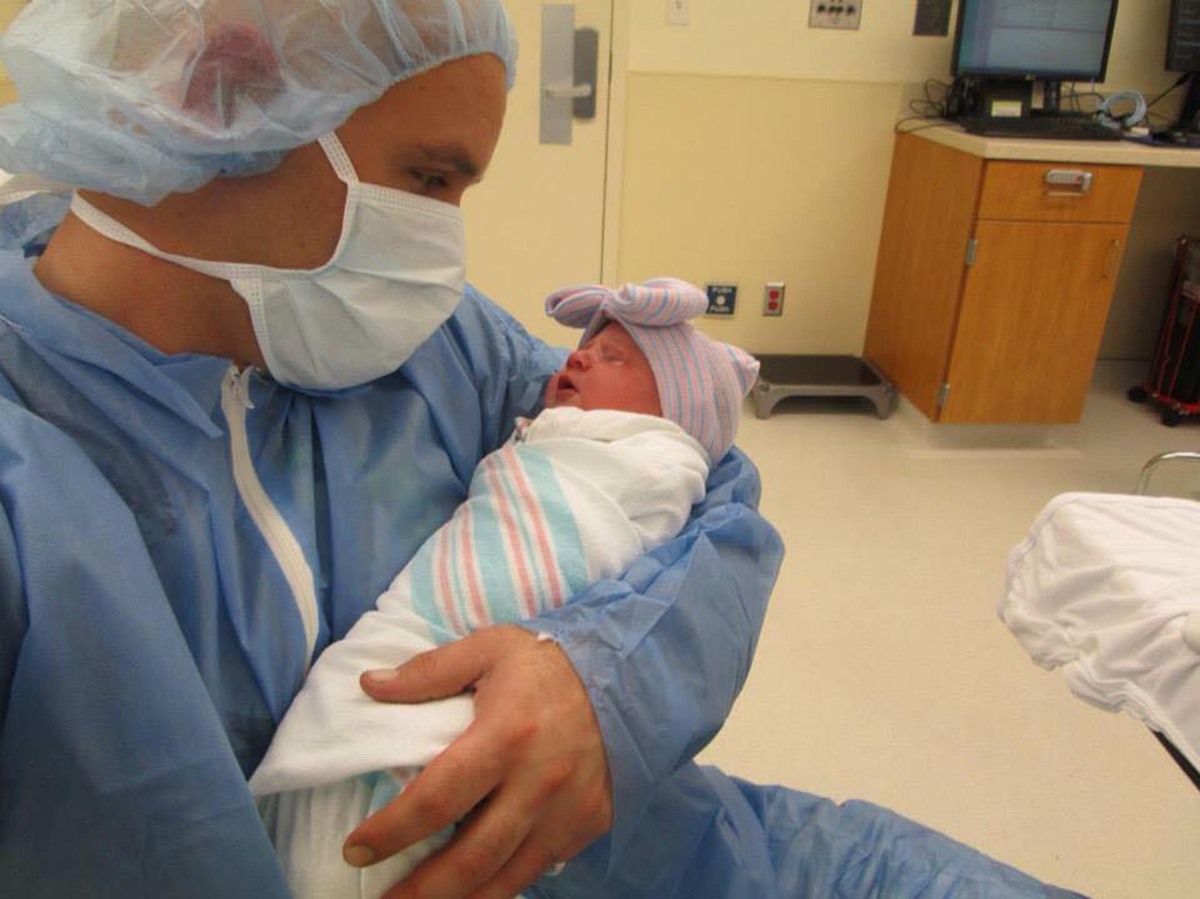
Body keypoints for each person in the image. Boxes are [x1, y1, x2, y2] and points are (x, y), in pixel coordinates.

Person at [0, 2, 1087, 897]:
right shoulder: (30, 483)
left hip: (636, 848)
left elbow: (694, 468)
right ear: (216, 94)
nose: (446, 239)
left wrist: (604, 681)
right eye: (431, 178)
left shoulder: (437, 342)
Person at [249, 278, 760, 899]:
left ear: (670, 416)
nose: (577, 358)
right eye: (587, 348)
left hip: (501, 733)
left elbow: (719, 544)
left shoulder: (652, 459)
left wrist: (596, 677)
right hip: (400, 666)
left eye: (613, 357)